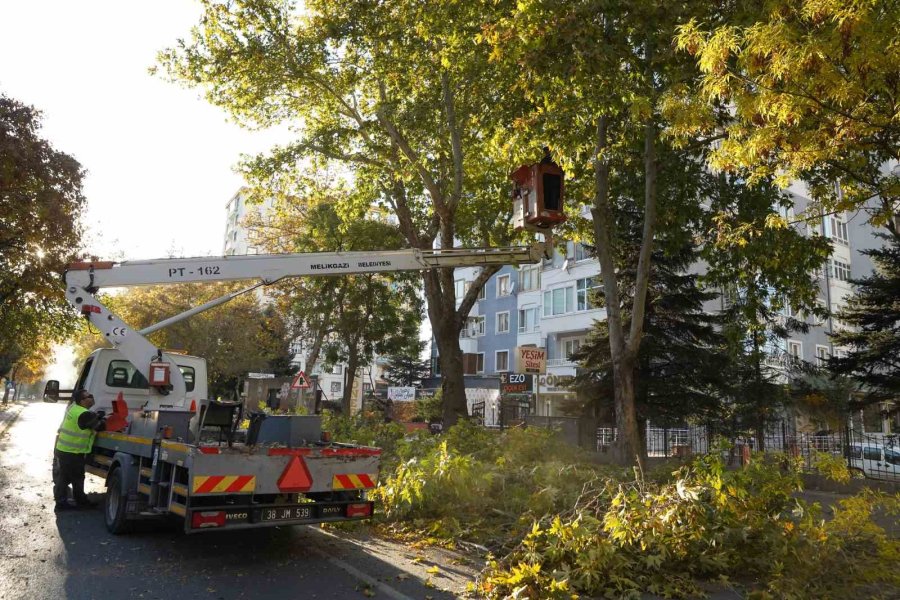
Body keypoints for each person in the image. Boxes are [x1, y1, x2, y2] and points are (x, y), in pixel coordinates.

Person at [53, 390, 105, 511]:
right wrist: (101, 418)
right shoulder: (84, 414)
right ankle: (81, 502)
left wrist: (96, 416)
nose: (92, 398)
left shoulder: (74, 408)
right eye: (89, 396)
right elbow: (100, 426)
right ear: (82, 401)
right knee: (77, 478)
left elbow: (88, 420)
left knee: (64, 477)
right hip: (73, 452)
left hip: (63, 449)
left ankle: (61, 502)